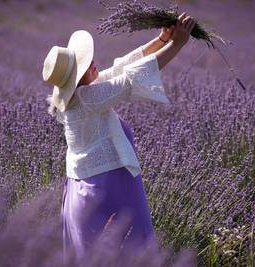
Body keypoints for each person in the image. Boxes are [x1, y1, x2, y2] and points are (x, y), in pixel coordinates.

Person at [42, 12, 196, 263]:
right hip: (105, 191)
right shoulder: (87, 99)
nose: (92, 63)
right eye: (85, 64)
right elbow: (130, 79)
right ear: (76, 80)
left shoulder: (78, 96)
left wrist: (160, 40)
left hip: (86, 191)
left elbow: (122, 67)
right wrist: (177, 43)